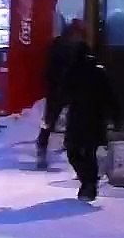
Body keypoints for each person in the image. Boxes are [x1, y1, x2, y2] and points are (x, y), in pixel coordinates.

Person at [62, 41, 119, 203]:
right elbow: (111, 96)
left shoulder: (72, 71)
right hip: (96, 119)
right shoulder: (99, 71)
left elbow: (63, 95)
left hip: (77, 118)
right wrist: (116, 117)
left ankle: (88, 182)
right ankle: (89, 184)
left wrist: (52, 116)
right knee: (89, 152)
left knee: (73, 152)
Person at [37, 20, 87, 168]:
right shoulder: (72, 47)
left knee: (50, 119)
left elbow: (49, 68)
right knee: (60, 118)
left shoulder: (57, 44)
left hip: (57, 88)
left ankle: (43, 146)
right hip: (64, 88)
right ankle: (56, 144)